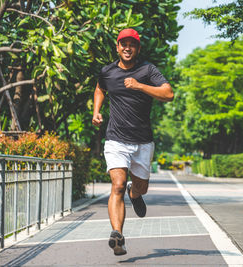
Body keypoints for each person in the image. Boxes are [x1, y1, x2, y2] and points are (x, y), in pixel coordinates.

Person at [92, 28, 174, 256]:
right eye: (123, 44)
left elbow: (168, 94)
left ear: (137, 49)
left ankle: (135, 194)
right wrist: (96, 110)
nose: (127, 48)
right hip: (116, 139)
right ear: (117, 47)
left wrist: (139, 86)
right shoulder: (107, 72)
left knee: (141, 187)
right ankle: (117, 235)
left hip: (142, 142)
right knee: (117, 184)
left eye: (132, 44)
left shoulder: (147, 70)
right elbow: (100, 88)